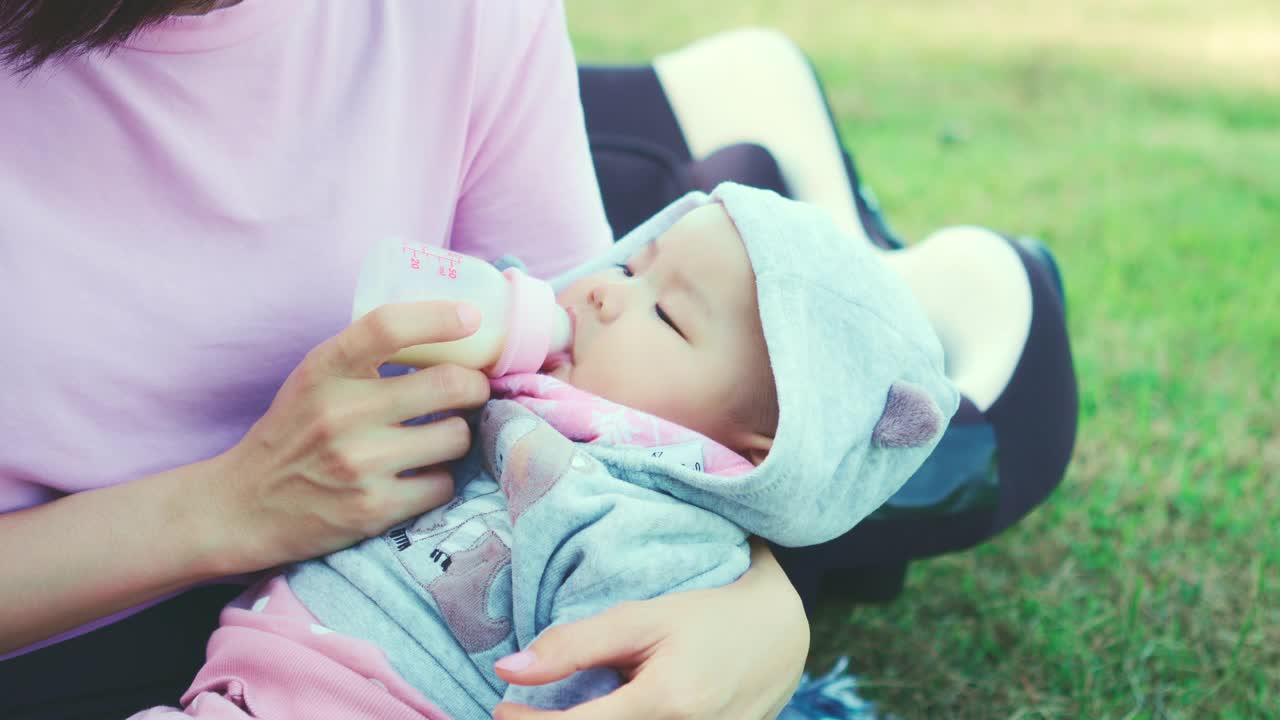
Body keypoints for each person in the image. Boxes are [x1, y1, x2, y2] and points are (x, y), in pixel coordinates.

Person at [0, 3, 810, 719]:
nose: (606, 294)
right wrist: (222, 508)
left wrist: (761, 611)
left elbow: (622, 404)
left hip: (361, 621)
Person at [126, 183, 960, 719]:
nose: (601, 288)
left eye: (666, 315)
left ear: (758, 448)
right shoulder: (520, 393)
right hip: (238, 679)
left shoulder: (648, 536)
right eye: (634, 264)